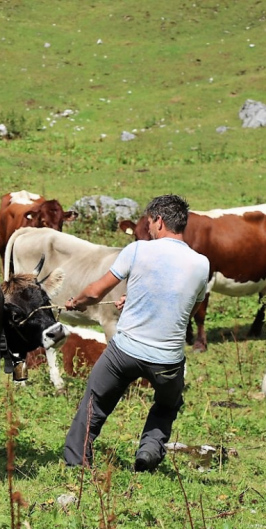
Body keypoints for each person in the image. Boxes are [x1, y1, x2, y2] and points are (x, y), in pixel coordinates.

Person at [62, 194, 210, 472]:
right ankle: (149, 454)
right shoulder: (201, 264)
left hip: (124, 352)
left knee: (94, 402)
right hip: (167, 359)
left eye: (150, 222)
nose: (149, 229)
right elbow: (187, 306)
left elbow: (95, 292)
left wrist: (76, 301)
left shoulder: (138, 249)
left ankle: (78, 460)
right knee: (167, 405)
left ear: (160, 221)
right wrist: (139, 299)